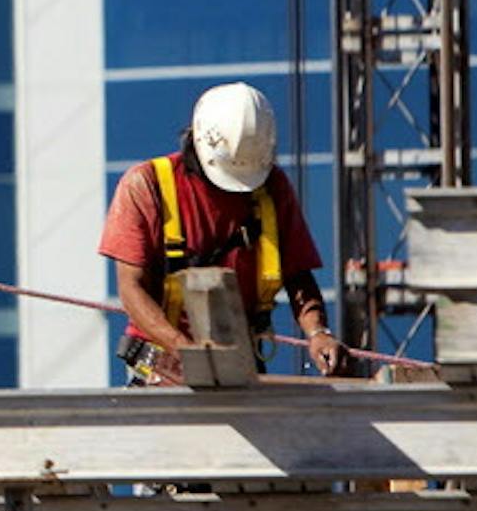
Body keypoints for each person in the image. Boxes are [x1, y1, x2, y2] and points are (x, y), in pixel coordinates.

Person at [98, 82, 346, 383]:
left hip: (240, 365)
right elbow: (131, 289)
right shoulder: (147, 186)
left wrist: (318, 333)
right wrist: (187, 353)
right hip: (162, 368)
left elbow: (297, 275)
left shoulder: (271, 188)